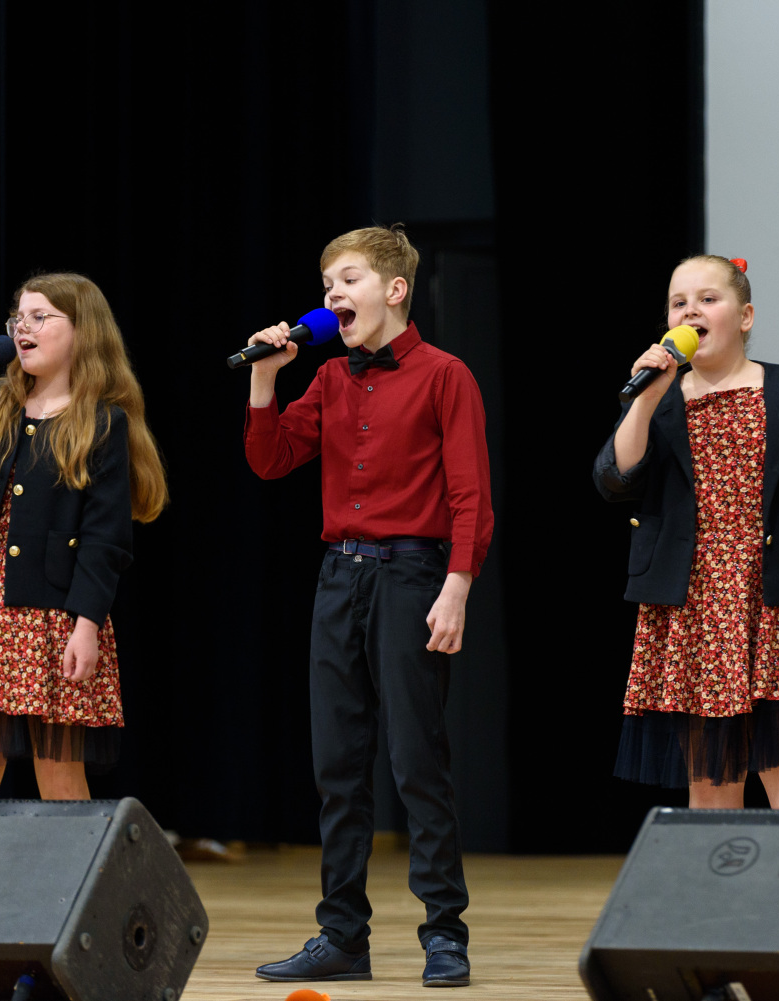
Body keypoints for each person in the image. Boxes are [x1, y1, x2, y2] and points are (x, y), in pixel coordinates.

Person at [243, 224, 492, 988]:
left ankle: (444, 931)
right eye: (326, 286)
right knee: (338, 765)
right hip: (338, 578)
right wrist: (264, 382)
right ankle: (342, 934)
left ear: (395, 288)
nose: (332, 295)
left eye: (347, 280)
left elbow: (471, 495)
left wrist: (456, 587)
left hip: (411, 575)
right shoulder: (330, 378)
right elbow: (271, 458)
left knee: (417, 759)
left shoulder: (445, 374)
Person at [594, 255, 779, 809]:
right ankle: (724, 873)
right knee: (710, 783)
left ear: (745, 316)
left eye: (708, 300)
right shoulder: (659, 399)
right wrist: (645, 399)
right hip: (694, 608)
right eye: (679, 303)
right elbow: (616, 480)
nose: (691, 312)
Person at [0, 272, 165, 800]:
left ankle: (71, 861)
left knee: (59, 772)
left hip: (57, 612)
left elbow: (105, 538)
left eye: (39, 317)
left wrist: (87, 625)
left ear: (82, 331)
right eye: (18, 318)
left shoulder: (101, 423)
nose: (22, 328)